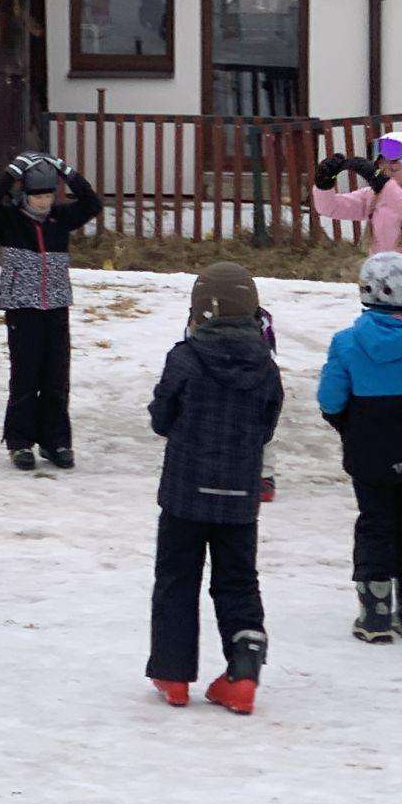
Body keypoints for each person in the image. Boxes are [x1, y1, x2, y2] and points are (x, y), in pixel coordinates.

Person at [145, 263, 282, 713]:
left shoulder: (184, 358)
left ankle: (173, 673)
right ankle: (242, 675)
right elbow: (266, 427)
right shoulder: (265, 366)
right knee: (238, 581)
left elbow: (162, 417)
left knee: (177, 579)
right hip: (240, 497)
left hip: (185, 493)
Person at [316, 251, 402, 643]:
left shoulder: (346, 343)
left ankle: (375, 613)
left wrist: (347, 424)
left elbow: (330, 400)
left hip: (368, 446)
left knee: (374, 521)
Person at [0, 150, 103, 472]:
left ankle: (56, 441)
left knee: (56, 376)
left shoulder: (60, 220)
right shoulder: (8, 221)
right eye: (37, 195)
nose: (44, 201)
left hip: (56, 306)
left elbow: (93, 204)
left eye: (49, 194)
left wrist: (67, 171)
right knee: (25, 375)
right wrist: (13, 170)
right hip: (22, 309)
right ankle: (20, 443)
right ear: (24, 194)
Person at [312, 131, 402, 310]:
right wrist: (323, 185)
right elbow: (330, 208)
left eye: (394, 169)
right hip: (386, 298)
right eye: (383, 169)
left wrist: (384, 184)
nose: (387, 174)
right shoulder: (375, 197)